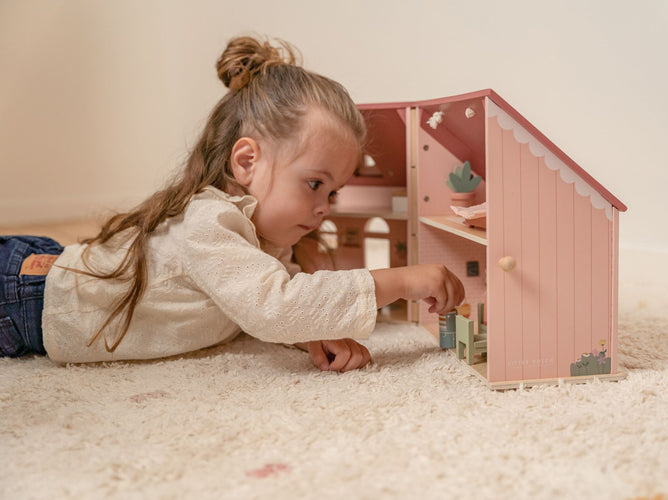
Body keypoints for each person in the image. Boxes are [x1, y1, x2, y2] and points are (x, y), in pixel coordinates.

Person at [0, 36, 464, 372]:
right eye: (314, 183)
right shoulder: (210, 221)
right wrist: (399, 279)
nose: (326, 207)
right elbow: (275, 304)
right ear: (247, 162)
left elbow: (267, 302)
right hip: (25, 295)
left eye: (333, 192)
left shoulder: (259, 237)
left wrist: (308, 332)